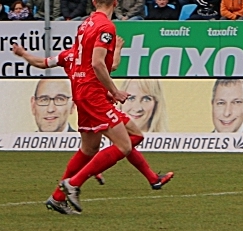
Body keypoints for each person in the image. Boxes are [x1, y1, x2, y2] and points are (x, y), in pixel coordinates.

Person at [13, 31, 173, 215]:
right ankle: (79, 179)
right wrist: (119, 49)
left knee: (94, 148)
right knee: (129, 139)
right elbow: (111, 66)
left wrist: (23, 54)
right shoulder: (92, 55)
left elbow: (42, 63)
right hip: (97, 103)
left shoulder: (68, 55)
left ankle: (59, 196)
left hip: (87, 102)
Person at [58, 0, 174, 213]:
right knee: (125, 142)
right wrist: (115, 91)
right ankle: (73, 184)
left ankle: (58, 196)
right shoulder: (106, 27)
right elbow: (97, 63)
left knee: (91, 148)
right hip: (94, 91)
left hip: (84, 90)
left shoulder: (85, 23)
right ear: (116, 2)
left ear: (93, 2)